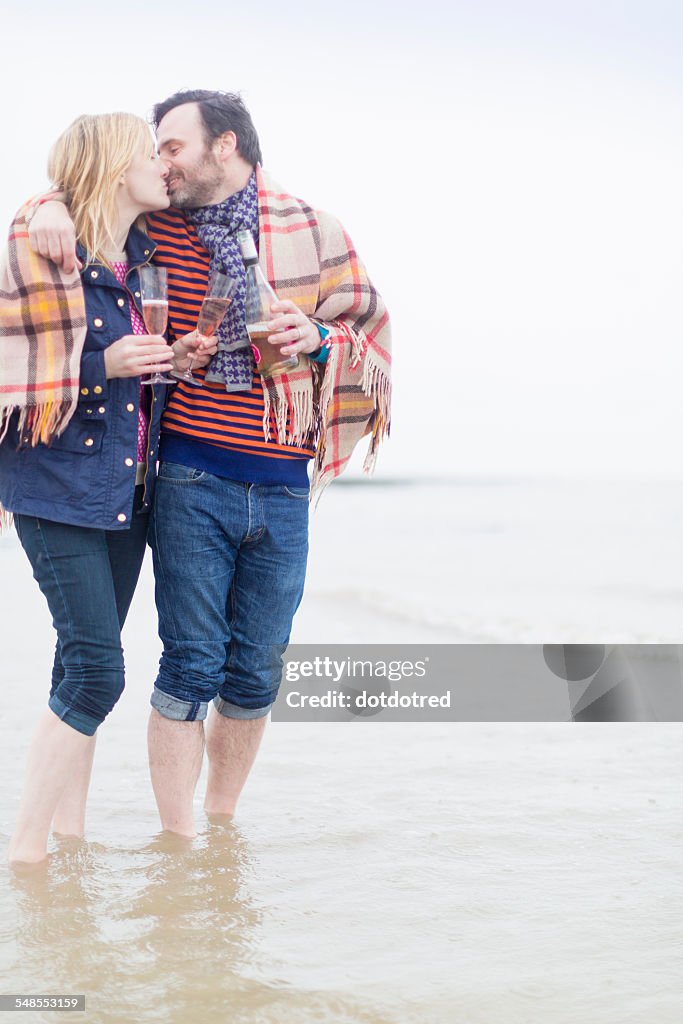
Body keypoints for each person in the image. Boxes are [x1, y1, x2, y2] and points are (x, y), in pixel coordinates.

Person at [27, 90, 392, 838]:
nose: (161, 161)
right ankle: (178, 838)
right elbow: (87, 192)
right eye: (155, 149)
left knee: (257, 669)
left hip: (287, 484)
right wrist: (44, 203)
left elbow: (370, 335)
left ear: (224, 146)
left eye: (173, 146)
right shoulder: (154, 223)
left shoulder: (312, 230)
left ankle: (220, 823)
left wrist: (317, 339)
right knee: (188, 663)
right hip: (189, 474)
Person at [0, 112, 215, 865]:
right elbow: (11, 374)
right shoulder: (40, 253)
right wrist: (103, 368)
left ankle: (70, 838)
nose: (162, 164)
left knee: (74, 663)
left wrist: (169, 361)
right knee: (97, 673)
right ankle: (25, 853)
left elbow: (132, 378)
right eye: (148, 152)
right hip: (55, 490)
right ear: (110, 167)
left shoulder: (141, 257)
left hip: (127, 493)